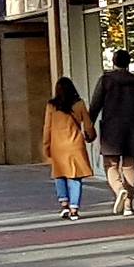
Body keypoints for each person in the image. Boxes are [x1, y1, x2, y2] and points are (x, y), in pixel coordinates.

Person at [90, 49, 134, 217]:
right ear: (129, 63)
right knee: (130, 166)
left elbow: (95, 106)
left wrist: (88, 127)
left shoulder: (106, 81)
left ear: (114, 62)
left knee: (111, 165)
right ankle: (128, 205)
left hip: (112, 130)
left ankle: (120, 189)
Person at [43, 77, 96, 220]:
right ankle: (74, 209)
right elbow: (88, 124)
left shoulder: (51, 106)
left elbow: (47, 128)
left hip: (58, 146)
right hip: (75, 145)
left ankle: (64, 204)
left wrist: (46, 145)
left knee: (59, 175)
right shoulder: (79, 104)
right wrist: (91, 136)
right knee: (75, 176)